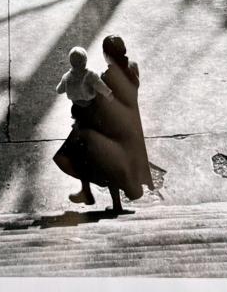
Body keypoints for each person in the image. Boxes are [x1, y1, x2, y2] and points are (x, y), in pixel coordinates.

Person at [53, 34, 154, 214]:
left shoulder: (107, 77)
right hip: (131, 125)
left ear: (107, 54)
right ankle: (100, 195)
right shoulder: (133, 68)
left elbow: (100, 101)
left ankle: (108, 201)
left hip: (112, 126)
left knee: (101, 160)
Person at [56, 46, 113, 129]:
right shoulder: (90, 75)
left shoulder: (67, 77)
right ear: (85, 61)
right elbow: (102, 87)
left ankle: (78, 124)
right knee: (92, 118)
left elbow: (59, 90)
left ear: (70, 62)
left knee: (79, 117)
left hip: (75, 107)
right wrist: (109, 96)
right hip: (90, 107)